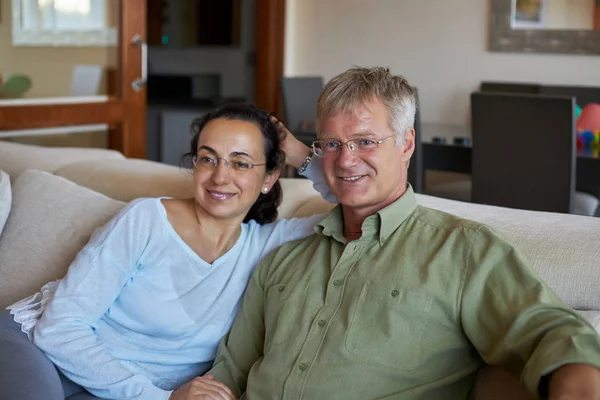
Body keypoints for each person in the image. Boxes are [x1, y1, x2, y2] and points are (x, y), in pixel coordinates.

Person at [199, 67, 600, 400]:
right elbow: (226, 376)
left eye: (366, 141)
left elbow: (553, 334)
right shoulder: (281, 260)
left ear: (407, 143)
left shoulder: (462, 251)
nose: (345, 160)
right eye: (332, 144)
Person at [0, 103, 332, 400]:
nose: (220, 176)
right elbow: (59, 328)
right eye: (208, 158)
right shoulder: (146, 219)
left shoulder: (266, 245)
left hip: (113, 388)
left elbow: (361, 203)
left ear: (269, 178)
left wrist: (299, 153)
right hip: (37, 346)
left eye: (241, 164)